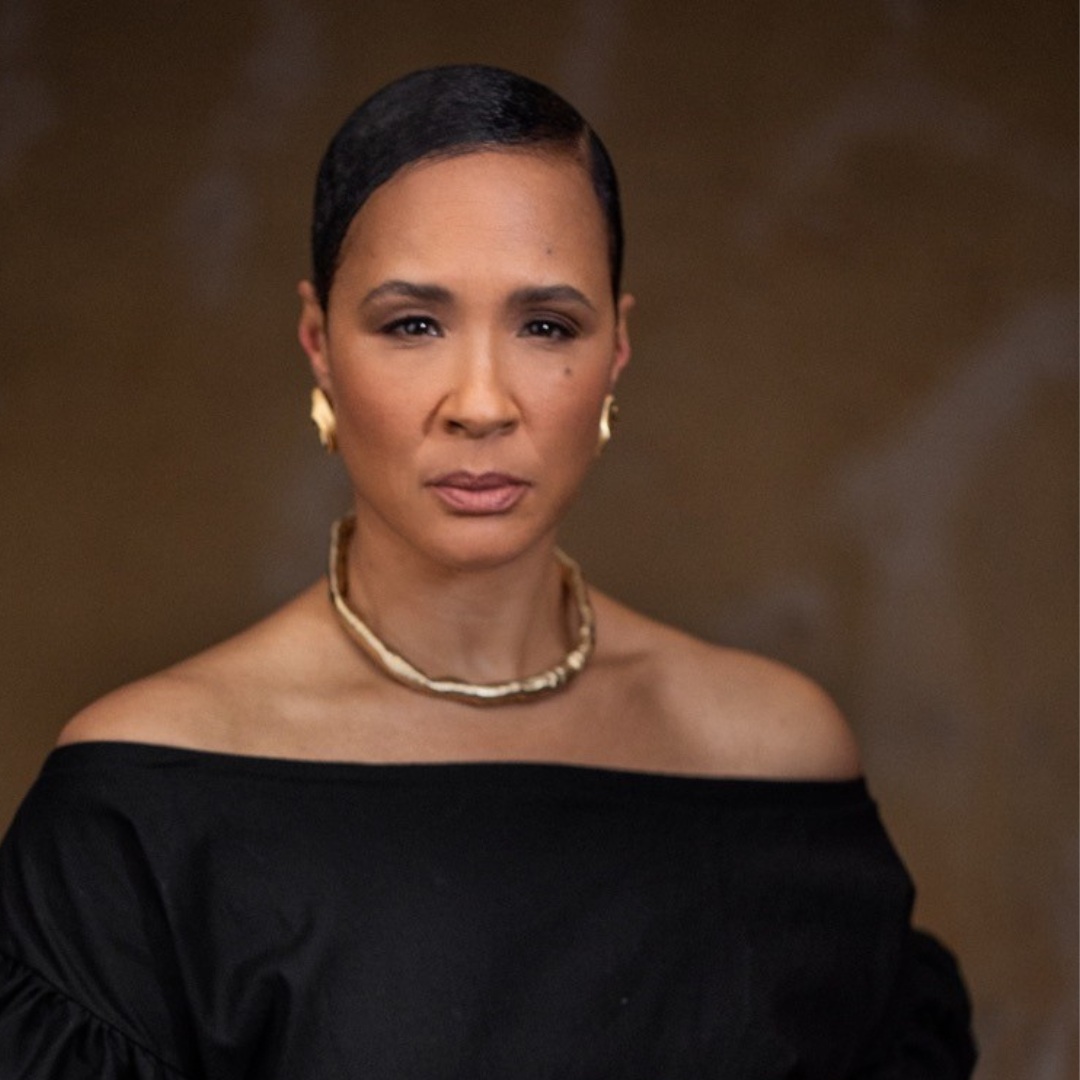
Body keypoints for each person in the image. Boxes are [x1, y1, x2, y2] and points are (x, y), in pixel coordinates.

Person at [0, 64, 975, 1078]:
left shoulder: (776, 761)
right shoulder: (143, 802)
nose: (480, 402)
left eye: (546, 324)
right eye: (412, 323)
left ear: (616, 350)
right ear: (319, 344)